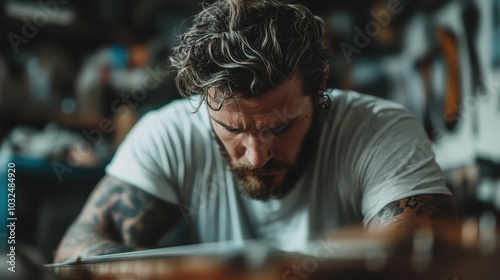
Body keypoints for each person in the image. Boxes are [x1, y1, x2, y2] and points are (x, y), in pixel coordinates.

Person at [54, 0, 457, 262]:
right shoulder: (168, 134)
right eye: (232, 129)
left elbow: (424, 260)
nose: (256, 155)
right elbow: (78, 247)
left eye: (279, 126)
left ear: (319, 87)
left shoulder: (381, 132)